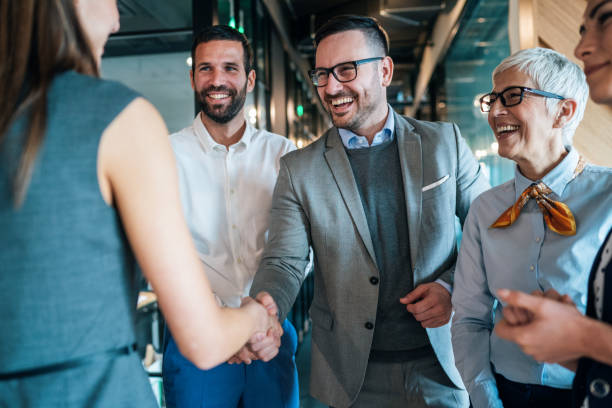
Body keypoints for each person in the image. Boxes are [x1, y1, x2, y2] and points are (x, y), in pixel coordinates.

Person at [0, 1, 277, 406]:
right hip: (93, 392)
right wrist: (256, 315)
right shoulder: (120, 118)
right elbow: (202, 338)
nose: (116, 11)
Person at [248, 15, 489, 408]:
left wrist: (452, 288)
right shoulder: (299, 169)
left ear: (385, 70)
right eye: (322, 74)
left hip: (442, 363)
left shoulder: (444, 143)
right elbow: (284, 261)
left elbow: (489, 235)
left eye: (346, 70)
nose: (331, 87)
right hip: (351, 375)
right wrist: (265, 308)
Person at [450, 46, 612, 408]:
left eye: (512, 96)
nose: (495, 111)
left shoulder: (609, 197)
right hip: (506, 394)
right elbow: (470, 320)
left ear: (563, 111)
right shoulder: (484, 209)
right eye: (492, 99)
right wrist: (486, 399)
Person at [161, 25, 299, 408]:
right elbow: (162, 254)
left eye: (230, 68)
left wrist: (265, 316)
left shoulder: (283, 153)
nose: (216, 80)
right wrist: (223, 324)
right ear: (192, 78)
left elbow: (300, 248)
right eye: (205, 69)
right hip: (196, 338)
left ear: (250, 78)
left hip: (271, 335)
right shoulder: (164, 154)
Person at [494, 1, 612, 407]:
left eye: (608, 18)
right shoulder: (485, 208)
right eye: (581, 30)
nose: (581, 49)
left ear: (565, 112)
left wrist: (585, 337)